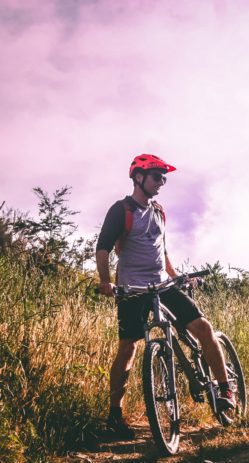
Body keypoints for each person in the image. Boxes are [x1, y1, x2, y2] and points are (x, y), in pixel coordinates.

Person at [96, 154, 235, 439]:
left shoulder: (159, 210)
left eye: (164, 177)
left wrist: (174, 276)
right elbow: (103, 248)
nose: (162, 182)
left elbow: (161, 249)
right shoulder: (121, 210)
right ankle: (115, 415)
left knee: (204, 329)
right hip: (133, 288)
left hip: (163, 285)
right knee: (128, 348)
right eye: (157, 176)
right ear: (139, 177)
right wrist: (105, 282)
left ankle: (225, 390)